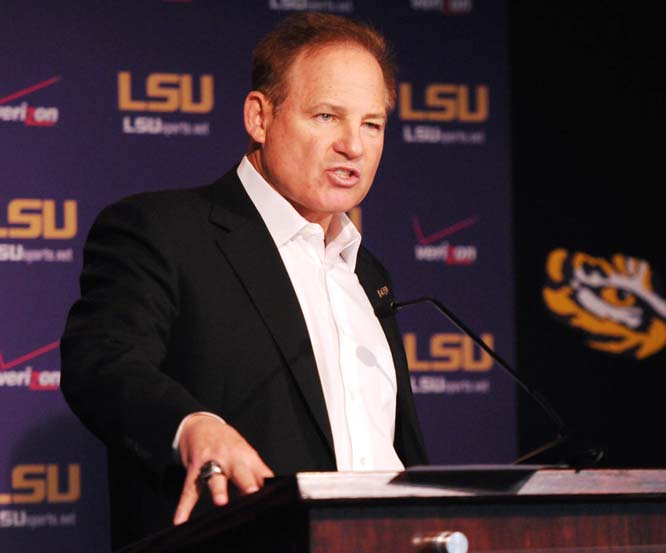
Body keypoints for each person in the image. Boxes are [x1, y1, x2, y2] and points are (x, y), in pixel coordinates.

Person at [60, 12, 427, 549]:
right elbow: (102, 361)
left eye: (372, 124)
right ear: (260, 117)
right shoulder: (165, 231)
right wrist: (190, 424)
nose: (354, 144)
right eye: (327, 116)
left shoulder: (369, 274)